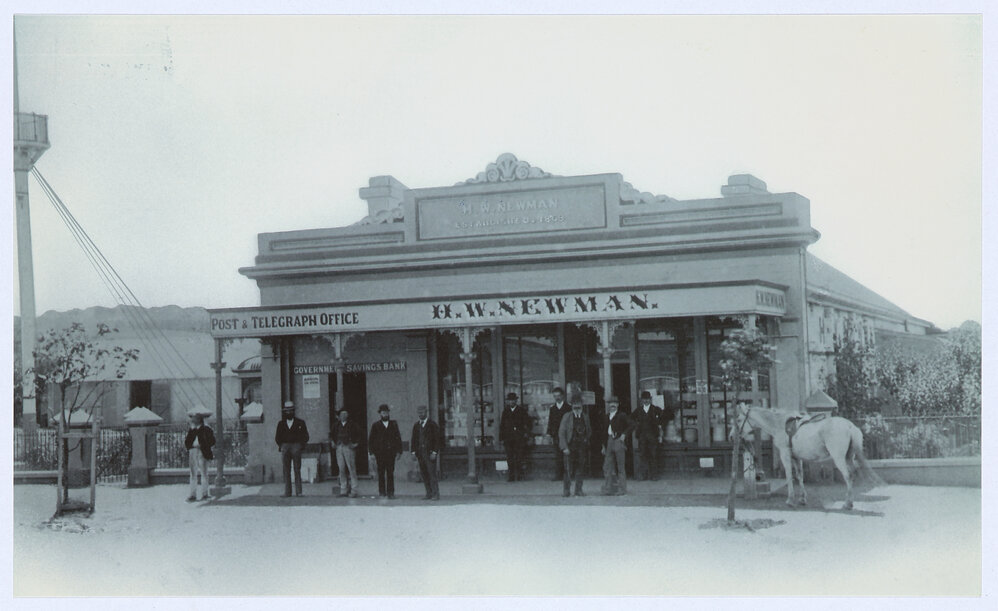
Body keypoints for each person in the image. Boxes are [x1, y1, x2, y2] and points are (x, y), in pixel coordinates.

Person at [274, 400, 309, 497]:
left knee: (297, 469)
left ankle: (299, 492)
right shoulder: (281, 424)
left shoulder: (300, 423)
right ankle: (287, 492)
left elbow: (306, 436)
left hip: (296, 447)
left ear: (294, 411)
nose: (289, 412)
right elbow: (277, 437)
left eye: (291, 410)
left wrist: (300, 446)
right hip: (285, 447)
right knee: (286, 470)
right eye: (287, 411)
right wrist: (282, 446)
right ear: (284, 412)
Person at [368, 404, 403, 499]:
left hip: (391, 453)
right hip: (380, 453)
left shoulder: (393, 424)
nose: (385, 414)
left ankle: (391, 492)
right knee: (381, 473)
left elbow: (398, 438)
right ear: (380, 414)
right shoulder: (376, 425)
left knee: (390, 473)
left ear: (388, 413)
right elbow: (371, 440)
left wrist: (399, 451)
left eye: (386, 412)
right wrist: (371, 453)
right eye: (383, 413)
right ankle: (382, 492)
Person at [558, 401, 591, 497]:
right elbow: (561, 432)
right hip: (570, 446)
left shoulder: (585, 417)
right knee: (568, 469)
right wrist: (564, 447)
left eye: (579, 407)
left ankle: (578, 490)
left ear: (582, 407)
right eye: (575, 407)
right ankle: (566, 490)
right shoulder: (567, 417)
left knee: (580, 469)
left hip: (581, 447)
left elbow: (589, 430)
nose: (577, 409)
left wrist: (586, 440)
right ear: (572, 407)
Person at [601, 397, 633, 496]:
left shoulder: (622, 415)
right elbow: (603, 432)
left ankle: (622, 489)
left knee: (620, 467)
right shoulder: (606, 416)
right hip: (609, 441)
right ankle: (609, 488)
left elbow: (632, 425)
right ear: (608, 405)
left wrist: (624, 434)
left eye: (615, 403)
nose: (612, 405)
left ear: (618, 405)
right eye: (611, 403)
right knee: (607, 466)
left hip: (618, 441)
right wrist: (603, 446)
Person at [631, 390, 665, 481]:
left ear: (650, 399)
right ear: (641, 400)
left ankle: (654, 475)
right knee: (643, 455)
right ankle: (643, 475)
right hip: (642, 436)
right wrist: (636, 426)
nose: (646, 401)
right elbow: (631, 418)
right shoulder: (638, 410)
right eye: (644, 399)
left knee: (653, 455)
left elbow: (663, 418)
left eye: (647, 399)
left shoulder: (655, 409)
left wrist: (659, 429)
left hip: (652, 435)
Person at [499, 392, 531, 481]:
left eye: (513, 400)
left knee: (519, 456)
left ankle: (519, 475)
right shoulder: (505, 411)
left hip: (518, 438)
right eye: (510, 400)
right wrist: (501, 438)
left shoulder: (521, 410)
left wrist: (525, 433)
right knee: (510, 457)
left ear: (516, 401)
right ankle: (511, 475)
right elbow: (502, 425)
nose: (512, 402)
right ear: (508, 401)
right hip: (508, 438)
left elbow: (528, 422)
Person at [410, 405, 440, 500]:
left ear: (426, 412)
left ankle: (435, 494)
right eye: (419, 413)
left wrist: (434, 452)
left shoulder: (432, 425)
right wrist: (413, 452)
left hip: (429, 453)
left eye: (422, 412)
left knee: (432, 474)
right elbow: (413, 440)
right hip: (420, 454)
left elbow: (437, 440)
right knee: (424, 474)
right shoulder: (416, 426)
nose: (421, 414)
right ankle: (428, 493)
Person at [184, 411, 215, 502]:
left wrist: (204, 445)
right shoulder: (192, 430)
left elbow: (212, 441)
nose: (192, 421)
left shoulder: (206, 429)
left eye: (194, 419)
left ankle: (205, 493)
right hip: (193, 451)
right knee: (193, 474)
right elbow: (187, 442)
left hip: (202, 451)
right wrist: (190, 447)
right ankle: (192, 494)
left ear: (199, 420)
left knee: (204, 473)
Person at [331, 408, 362, 497]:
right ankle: (343, 489)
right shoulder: (336, 425)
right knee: (341, 468)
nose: (343, 416)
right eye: (341, 414)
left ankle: (354, 490)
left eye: (345, 414)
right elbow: (331, 435)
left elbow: (360, 435)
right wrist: (333, 442)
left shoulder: (353, 425)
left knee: (351, 468)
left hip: (348, 447)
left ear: (348, 415)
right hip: (339, 447)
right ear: (339, 416)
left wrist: (355, 444)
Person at [546, 387, 571, 481]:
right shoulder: (553, 408)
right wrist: (549, 433)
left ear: (562, 396)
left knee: (567, 454)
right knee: (558, 455)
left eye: (558, 395)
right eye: (555, 396)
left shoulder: (568, 407)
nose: (557, 398)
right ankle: (559, 475)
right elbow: (551, 421)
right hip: (556, 435)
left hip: (566, 434)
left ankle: (568, 474)